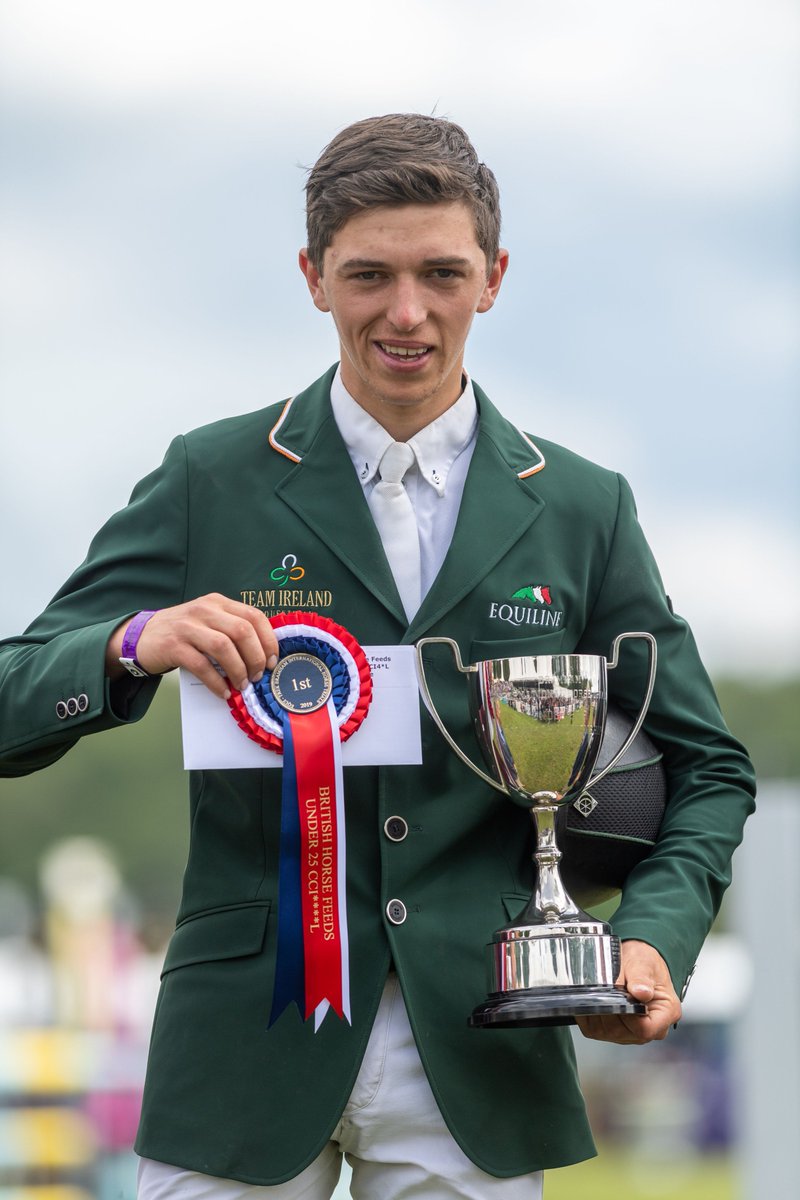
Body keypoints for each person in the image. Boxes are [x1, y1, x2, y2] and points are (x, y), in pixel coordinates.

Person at [0, 114, 755, 1198]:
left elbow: (709, 768)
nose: (407, 312)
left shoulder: (583, 507)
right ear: (313, 277)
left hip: (484, 1045)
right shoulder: (208, 477)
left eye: (441, 273)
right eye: (369, 275)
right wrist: (127, 644)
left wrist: (651, 938)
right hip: (240, 1047)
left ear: (493, 277)